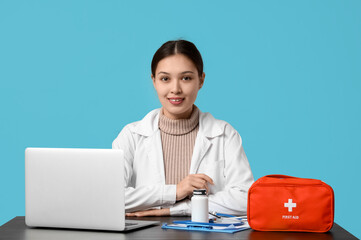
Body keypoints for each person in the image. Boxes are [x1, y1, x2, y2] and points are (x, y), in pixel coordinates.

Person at [112, 40, 254, 217]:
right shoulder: (131, 135)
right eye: (165, 79)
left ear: (201, 80)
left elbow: (245, 199)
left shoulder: (224, 134)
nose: (175, 89)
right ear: (154, 81)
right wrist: (175, 191)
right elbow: (111, 196)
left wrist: (175, 210)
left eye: (186, 78)